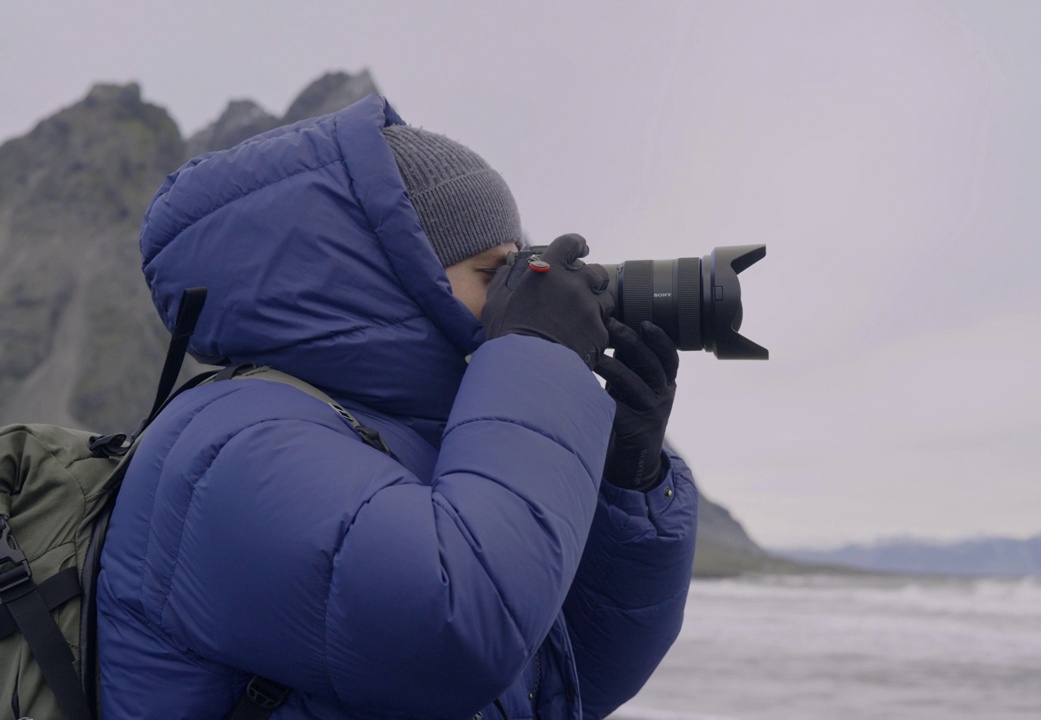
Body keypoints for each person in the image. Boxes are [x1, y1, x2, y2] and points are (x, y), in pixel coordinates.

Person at [96, 95, 698, 720]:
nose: (515, 301)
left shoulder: (412, 445)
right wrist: (537, 355)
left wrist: (629, 482)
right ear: (396, 274)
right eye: (496, 274)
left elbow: (569, 682)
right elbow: (457, 635)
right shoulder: (237, 448)